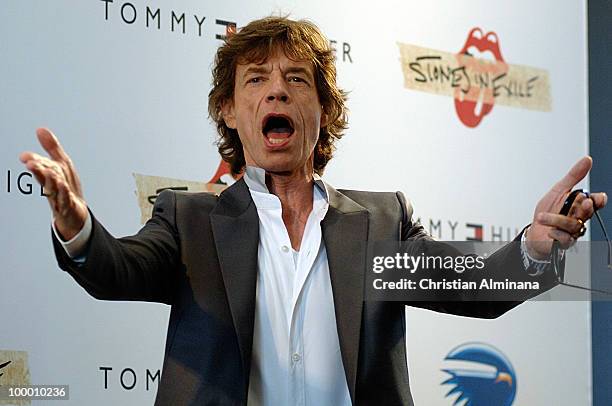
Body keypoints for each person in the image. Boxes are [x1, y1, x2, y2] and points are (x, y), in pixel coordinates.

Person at [19, 16, 607, 406]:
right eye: (256, 80)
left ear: (322, 108)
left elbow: (475, 287)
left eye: (295, 79)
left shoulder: (378, 223)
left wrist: (532, 249)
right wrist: (77, 227)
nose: (276, 92)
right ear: (229, 110)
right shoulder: (189, 220)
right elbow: (116, 269)